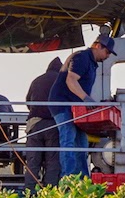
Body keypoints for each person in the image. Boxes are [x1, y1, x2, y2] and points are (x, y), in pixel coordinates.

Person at [48, 34, 116, 178]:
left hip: (74, 107)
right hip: (63, 104)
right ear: (98, 46)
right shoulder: (81, 58)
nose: (108, 55)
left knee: (81, 142)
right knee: (69, 139)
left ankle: (82, 178)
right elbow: (71, 80)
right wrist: (86, 99)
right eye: (107, 52)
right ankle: (68, 178)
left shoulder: (90, 62)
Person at [23, 57, 63, 192]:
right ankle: (49, 193)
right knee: (53, 162)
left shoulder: (37, 80)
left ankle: (30, 192)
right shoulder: (62, 80)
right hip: (53, 125)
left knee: (33, 162)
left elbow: (28, 101)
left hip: (35, 125)